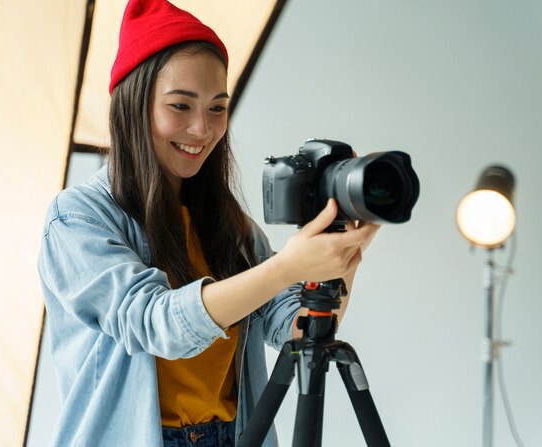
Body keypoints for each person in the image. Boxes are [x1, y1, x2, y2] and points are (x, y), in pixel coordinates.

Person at [37, 0, 380, 446]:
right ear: (132, 106)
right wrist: (289, 266)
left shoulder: (225, 221)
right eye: (180, 106)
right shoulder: (78, 218)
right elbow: (155, 325)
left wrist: (346, 253)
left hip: (232, 436)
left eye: (217, 108)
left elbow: (298, 327)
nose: (202, 129)